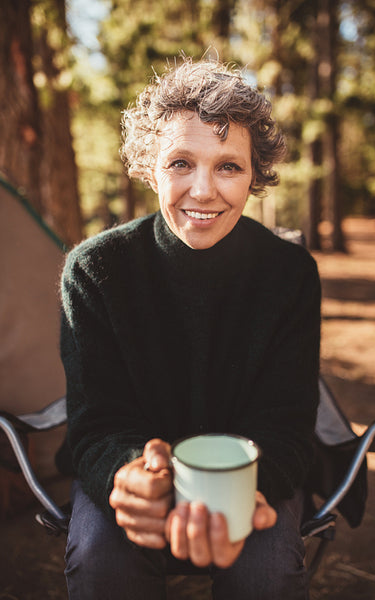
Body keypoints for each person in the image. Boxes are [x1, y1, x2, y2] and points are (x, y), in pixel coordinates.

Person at [61, 58, 321, 599]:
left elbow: (288, 421)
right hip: (135, 474)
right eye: (181, 162)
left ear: (255, 177)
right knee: (100, 563)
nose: (203, 191)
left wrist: (248, 484)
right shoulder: (94, 270)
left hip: (256, 471)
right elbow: (95, 422)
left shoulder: (290, 273)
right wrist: (128, 473)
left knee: (265, 573)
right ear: (148, 168)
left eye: (228, 166)